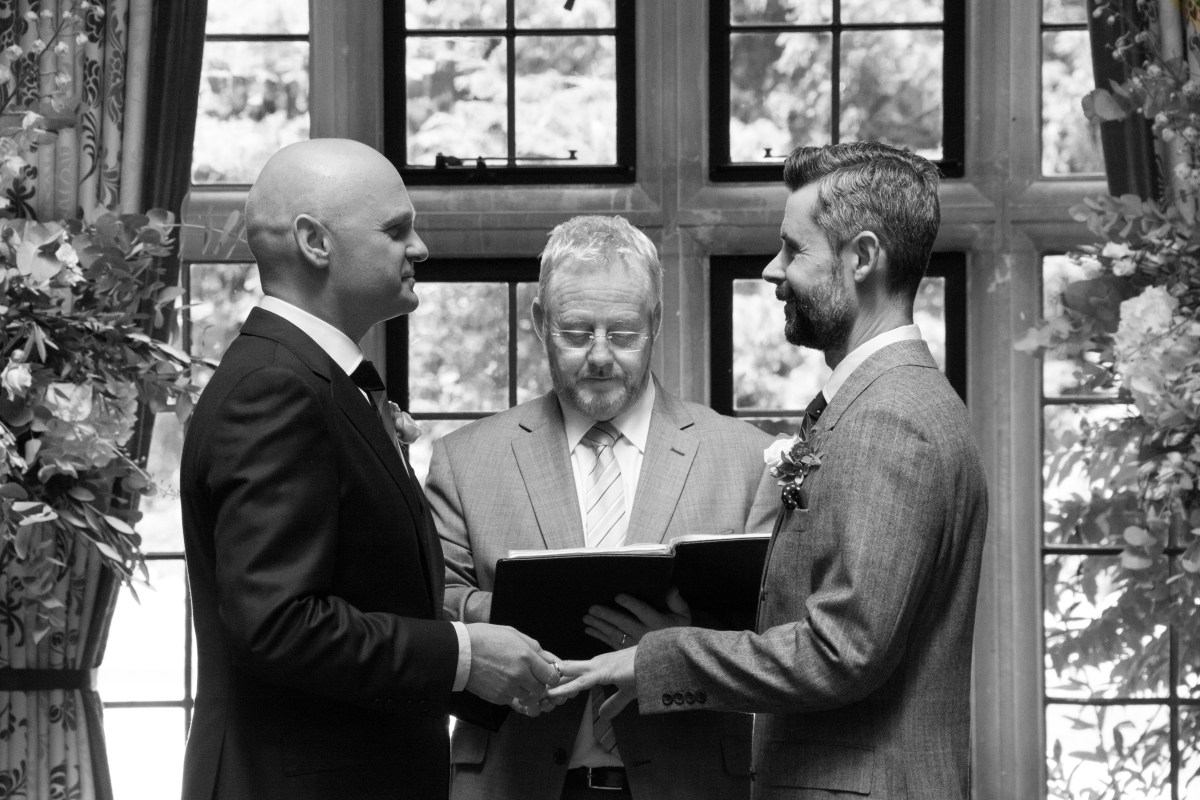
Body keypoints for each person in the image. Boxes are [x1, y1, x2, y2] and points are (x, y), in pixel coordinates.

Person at [549, 142, 989, 799]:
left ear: (862, 257)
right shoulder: (888, 401)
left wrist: (659, 658)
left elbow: (843, 651)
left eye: (793, 249)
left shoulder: (889, 419)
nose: (772, 269)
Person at [179, 138, 561, 800]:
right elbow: (277, 624)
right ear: (314, 242)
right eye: (395, 230)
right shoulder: (276, 388)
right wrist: (464, 656)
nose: (420, 249)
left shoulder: (311, 380)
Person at [425, 215, 778, 800]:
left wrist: (678, 647)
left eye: (624, 333)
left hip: (689, 781)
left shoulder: (746, 458)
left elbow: (778, 637)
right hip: (512, 780)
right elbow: (428, 605)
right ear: (539, 320)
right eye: (575, 332)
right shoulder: (464, 459)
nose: (599, 356)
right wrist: (528, 614)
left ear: (656, 321)